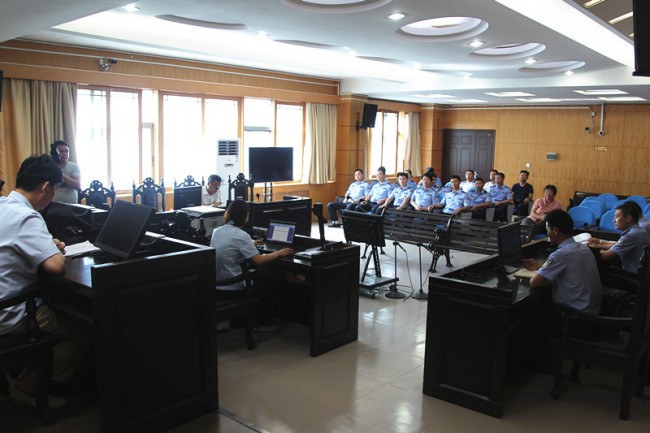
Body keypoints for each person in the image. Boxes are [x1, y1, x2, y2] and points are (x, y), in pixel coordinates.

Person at [0, 155, 90, 409]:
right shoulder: (27, 217)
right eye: (55, 189)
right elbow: (55, 265)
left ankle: (20, 372)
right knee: (82, 329)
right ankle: (28, 387)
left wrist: (45, 245)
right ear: (46, 187)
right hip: (9, 312)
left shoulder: (3, 205)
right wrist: (53, 250)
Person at [520, 209, 602, 368]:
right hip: (591, 314)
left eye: (548, 229)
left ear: (555, 230)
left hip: (576, 320)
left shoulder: (561, 254)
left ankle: (539, 366)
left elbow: (535, 283)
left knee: (526, 323)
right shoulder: (581, 248)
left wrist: (541, 271)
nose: (547, 233)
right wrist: (541, 267)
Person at [210, 200, 293, 329]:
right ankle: (262, 324)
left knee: (259, 275)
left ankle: (242, 321)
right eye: (247, 214)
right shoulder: (241, 235)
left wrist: (250, 243)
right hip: (232, 285)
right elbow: (259, 260)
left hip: (217, 284)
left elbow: (231, 245)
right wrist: (278, 253)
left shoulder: (217, 231)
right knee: (266, 285)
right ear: (244, 216)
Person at [587, 201, 649, 273]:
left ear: (628, 218)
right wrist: (598, 245)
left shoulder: (632, 235)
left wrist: (588, 249)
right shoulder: (637, 231)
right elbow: (618, 245)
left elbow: (605, 256)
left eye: (616, 216)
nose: (613, 221)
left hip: (634, 275)